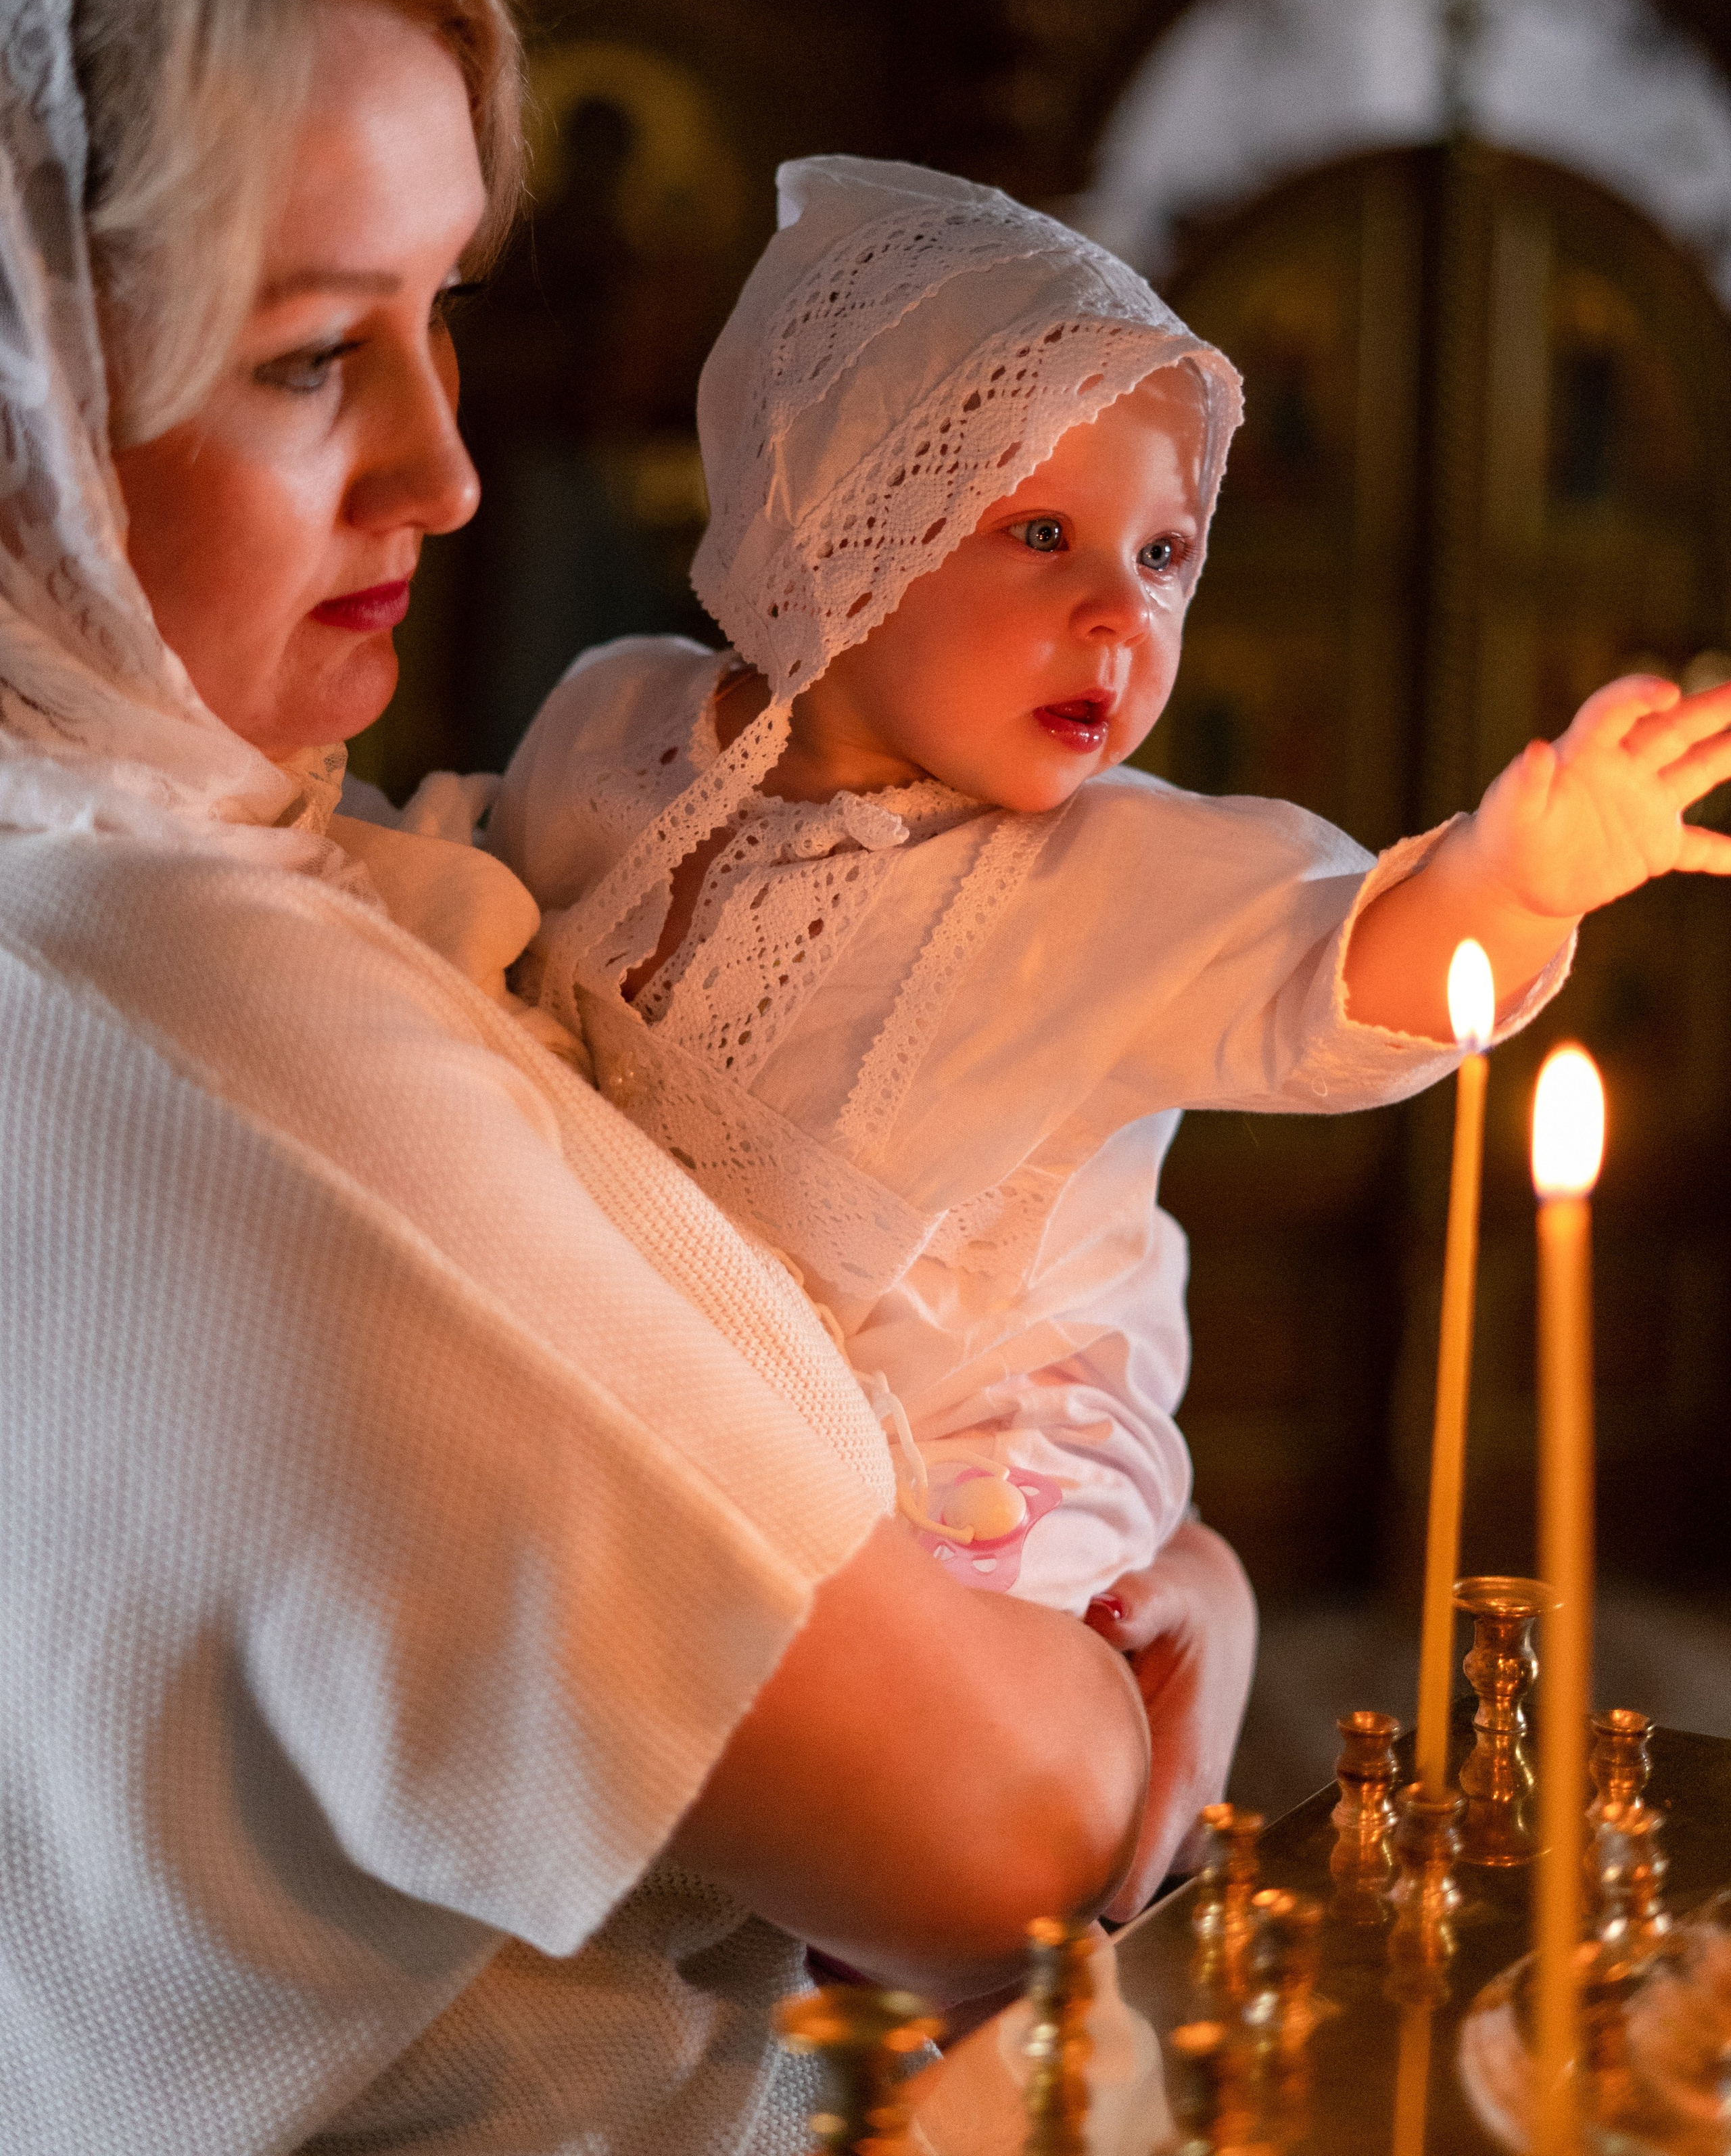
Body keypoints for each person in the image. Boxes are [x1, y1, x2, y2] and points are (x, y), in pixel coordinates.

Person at [0, 0, 1163, 2154]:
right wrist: (1195, 1589)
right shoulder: (214, 1021)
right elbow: (1004, 1844)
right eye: (314, 352)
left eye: (443, 315)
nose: (446, 465)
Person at [492, 154, 1731, 1620]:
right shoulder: (612, 720)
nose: (1119, 614)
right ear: (841, 515)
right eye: (1040, 537)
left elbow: (1338, 970)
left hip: (976, 1526)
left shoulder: (1118, 874)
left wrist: (1512, 878)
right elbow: (474, 928)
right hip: (624, 1442)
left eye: (1162, 556)